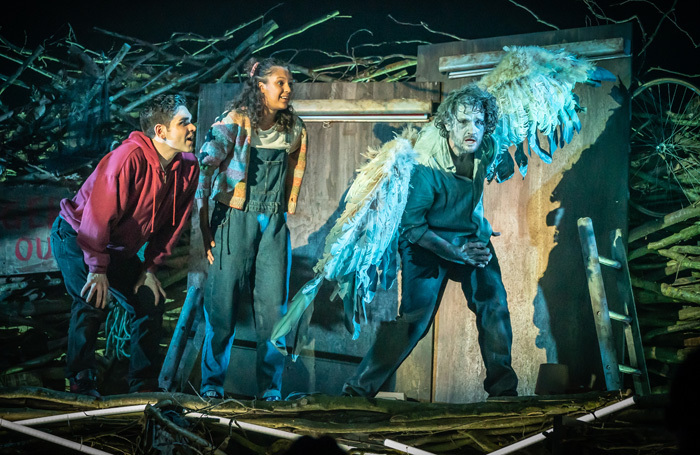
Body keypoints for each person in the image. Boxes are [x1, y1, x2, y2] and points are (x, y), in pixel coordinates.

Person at [342, 84, 518, 398]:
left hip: (465, 234)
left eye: (479, 122)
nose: (472, 130)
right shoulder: (424, 159)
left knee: (493, 300)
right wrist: (456, 253)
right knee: (415, 320)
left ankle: (504, 392)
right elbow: (413, 228)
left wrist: (478, 225)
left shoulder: (486, 145)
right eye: (463, 122)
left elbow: (486, 173)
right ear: (448, 122)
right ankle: (358, 391)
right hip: (424, 238)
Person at [50, 93, 199, 397]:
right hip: (78, 237)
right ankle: (81, 381)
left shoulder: (188, 167)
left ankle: (143, 385)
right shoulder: (127, 158)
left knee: (149, 301)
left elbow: (172, 225)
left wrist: (149, 268)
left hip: (115, 249)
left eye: (191, 121)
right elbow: (96, 217)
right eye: (184, 122)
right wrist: (96, 268)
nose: (192, 127)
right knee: (93, 299)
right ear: (160, 131)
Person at [196, 57, 308, 401]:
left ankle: (270, 389)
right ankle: (212, 386)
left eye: (288, 84)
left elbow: (292, 171)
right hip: (235, 220)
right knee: (222, 307)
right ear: (260, 86)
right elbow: (206, 166)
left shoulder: (294, 129)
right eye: (280, 83)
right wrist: (206, 230)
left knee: (274, 311)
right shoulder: (236, 121)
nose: (287, 89)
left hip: (273, 224)